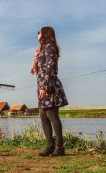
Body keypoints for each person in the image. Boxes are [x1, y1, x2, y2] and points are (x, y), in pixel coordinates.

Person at [30, 26, 68, 157]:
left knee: (52, 115)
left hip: (49, 86)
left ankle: (60, 147)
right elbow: (39, 68)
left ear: (45, 34)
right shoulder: (42, 49)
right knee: (43, 116)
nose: (37, 34)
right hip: (42, 86)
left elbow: (50, 68)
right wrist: (35, 60)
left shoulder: (50, 47)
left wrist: (45, 87)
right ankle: (49, 146)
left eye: (39, 32)